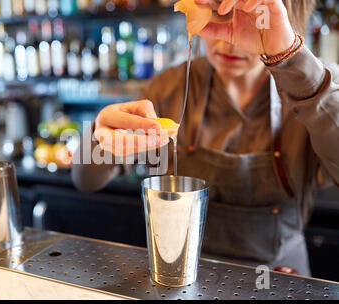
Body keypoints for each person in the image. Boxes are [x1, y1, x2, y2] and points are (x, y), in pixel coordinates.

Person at [71, 0, 339, 276]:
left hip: (280, 277)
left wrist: (294, 64)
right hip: (179, 272)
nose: (228, 45)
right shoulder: (168, 88)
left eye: (247, 19)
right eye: (217, 17)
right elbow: (85, 179)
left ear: (288, 16)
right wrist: (99, 136)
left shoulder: (316, 86)